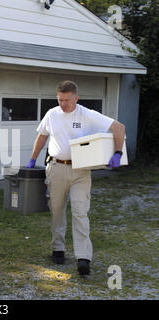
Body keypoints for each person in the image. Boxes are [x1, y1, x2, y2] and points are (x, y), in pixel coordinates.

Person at [26, 80, 125, 275]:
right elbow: (42, 136)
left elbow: (118, 127)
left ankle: (83, 257)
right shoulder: (51, 114)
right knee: (56, 210)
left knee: (80, 212)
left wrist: (118, 153)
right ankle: (58, 249)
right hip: (56, 168)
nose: (63, 104)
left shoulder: (86, 114)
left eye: (67, 100)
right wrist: (32, 159)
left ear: (76, 98)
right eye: (60, 100)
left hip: (81, 170)